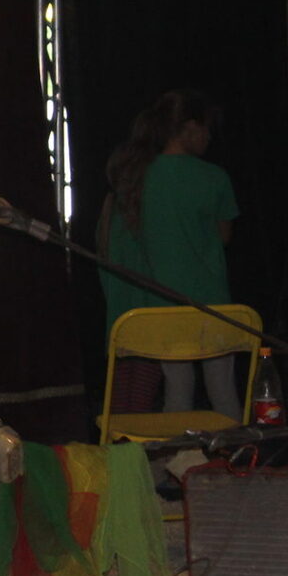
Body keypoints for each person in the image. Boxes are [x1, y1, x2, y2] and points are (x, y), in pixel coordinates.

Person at [99, 89, 240, 417]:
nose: (208, 137)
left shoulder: (138, 178)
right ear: (190, 128)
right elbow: (224, 236)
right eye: (205, 129)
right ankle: (239, 448)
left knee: (177, 393)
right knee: (223, 393)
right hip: (213, 306)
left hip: (163, 308)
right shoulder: (215, 177)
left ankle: (178, 450)